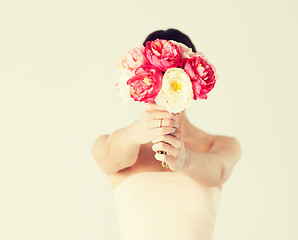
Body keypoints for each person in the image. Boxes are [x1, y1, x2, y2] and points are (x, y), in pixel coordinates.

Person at [92, 28, 242, 240]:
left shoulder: (218, 145)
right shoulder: (120, 146)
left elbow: (219, 171)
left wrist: (184, 160)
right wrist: (137, 133)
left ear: (192, 86)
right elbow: (110, 154)